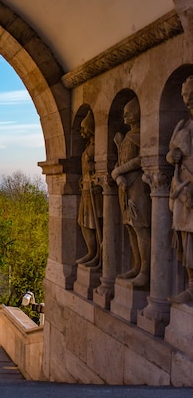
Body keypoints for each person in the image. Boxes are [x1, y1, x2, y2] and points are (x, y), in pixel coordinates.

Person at [111, 97, 151, 287]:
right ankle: (136, 266)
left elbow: (141, 160)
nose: (125, 115)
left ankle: (145, 271)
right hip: (125, 188)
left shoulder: (141, 136)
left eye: (129, 111)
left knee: (140, 227)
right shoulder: (126, 138)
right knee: (130, 228)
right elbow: (118, 163)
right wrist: (118, 176)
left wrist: (120, 171)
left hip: (138, 188)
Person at [167, 76, 193, 303]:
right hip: (182, 190)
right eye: (185, 94)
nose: (189, 99)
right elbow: (169, 154)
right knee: (186, 241)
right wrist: (171, 155)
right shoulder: (182, 125)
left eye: (191, 93)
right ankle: (191, 285)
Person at [75, 110, 103, 268]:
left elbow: (101, 166)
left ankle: (98, 254)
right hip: (85, 189)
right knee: (83, 222)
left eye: (84, 128)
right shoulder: (88, 147)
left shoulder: (97, 147)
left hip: (94, 191)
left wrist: (91, 167)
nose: (81, 132)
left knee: (94, 223)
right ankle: (91, 252)